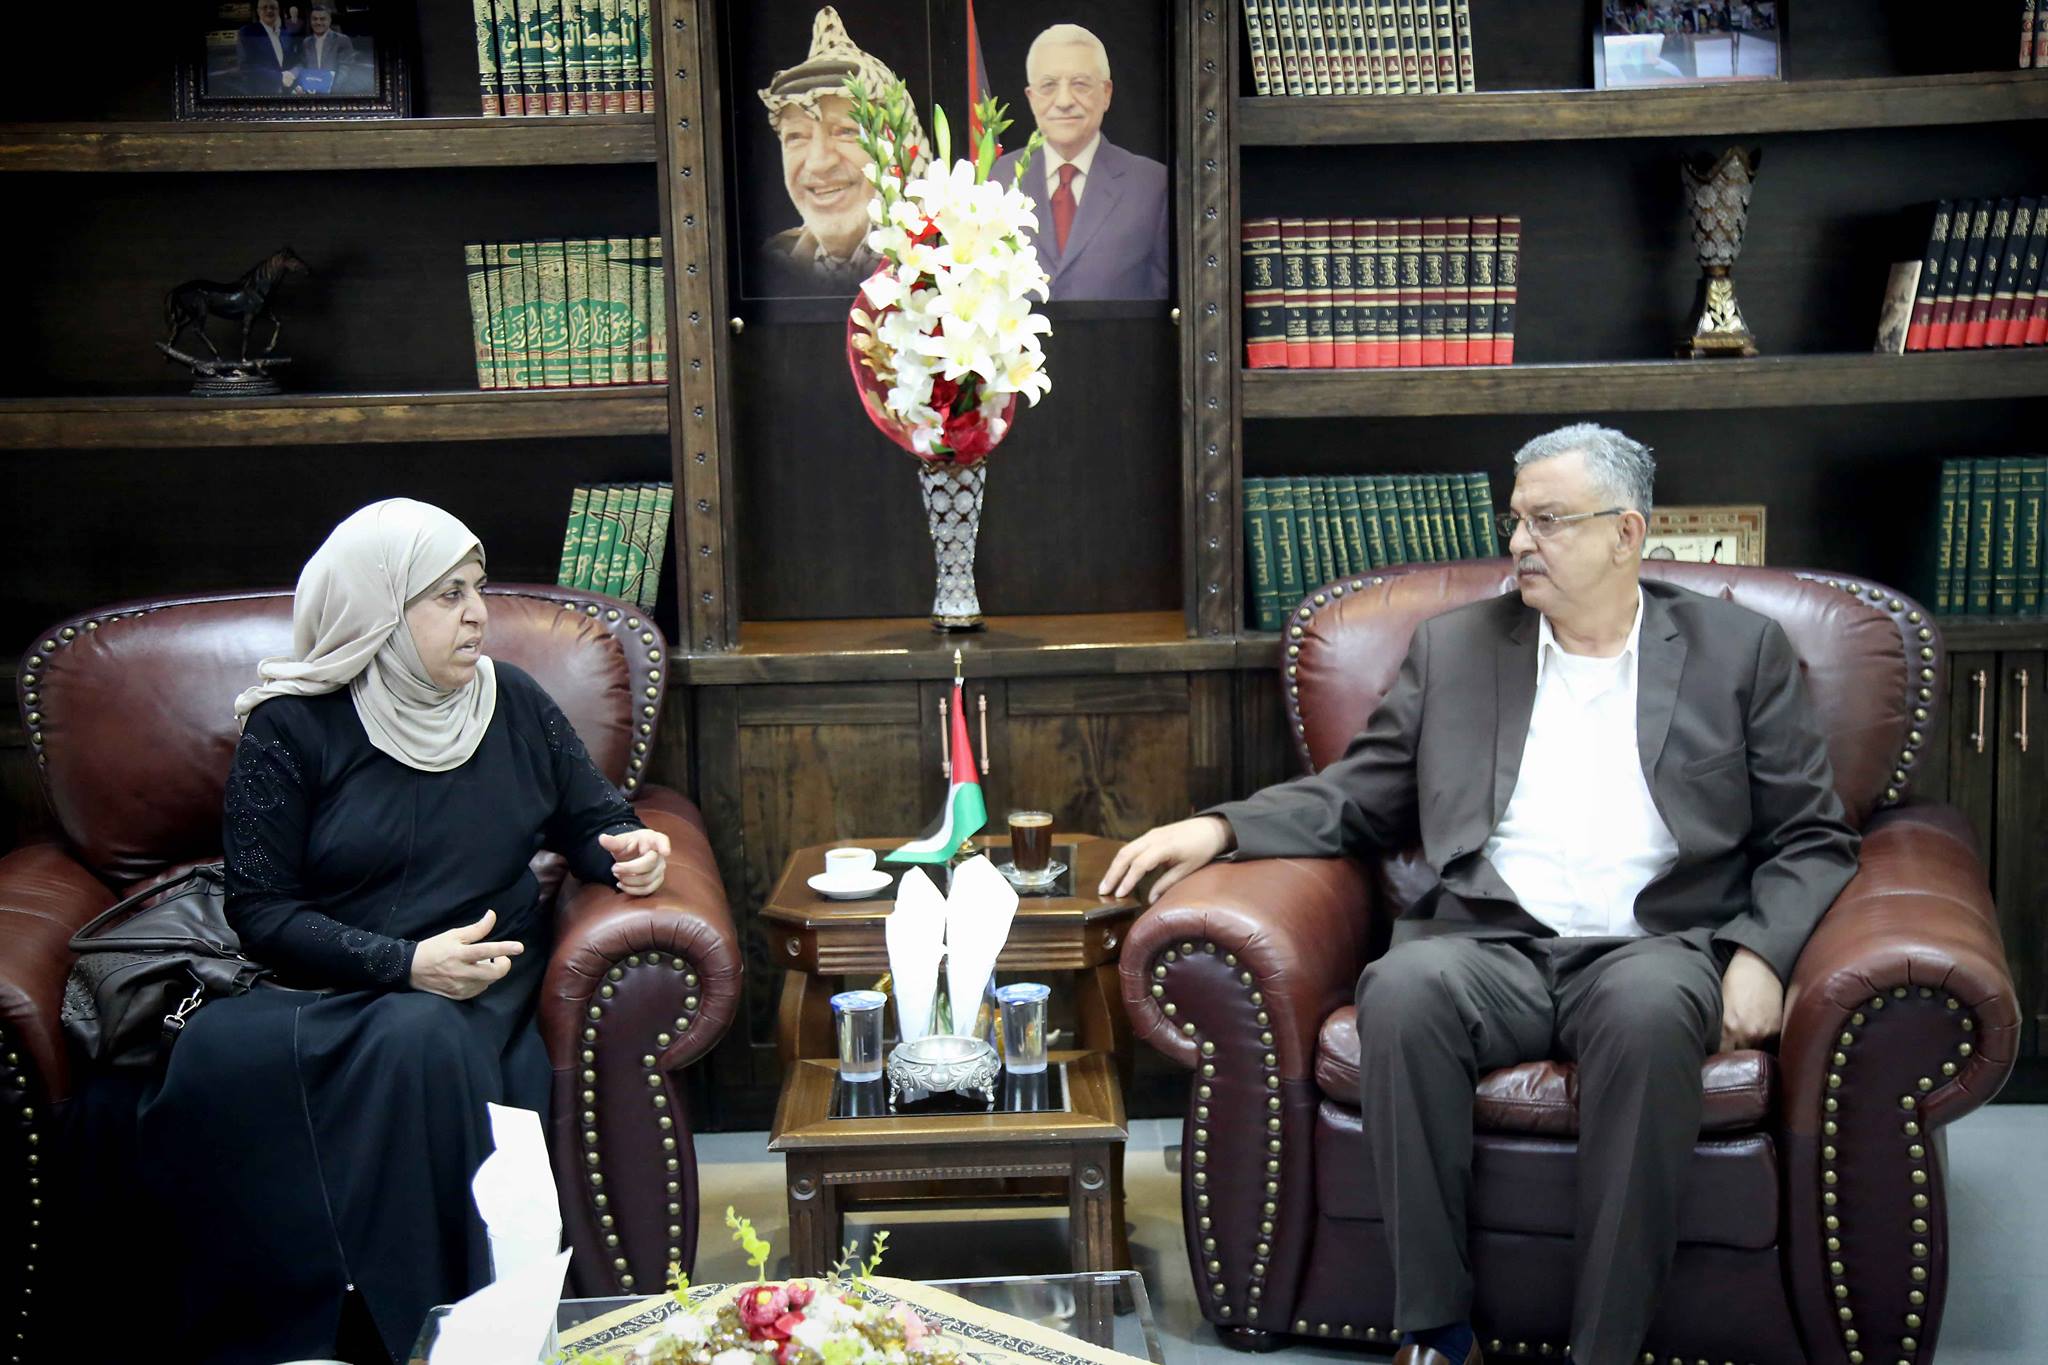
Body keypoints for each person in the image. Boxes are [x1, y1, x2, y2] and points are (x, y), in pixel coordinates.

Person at [1101, 424, 1859, 1365]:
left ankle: (1605, 1349)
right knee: (1403, 989)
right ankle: (1436, 1331)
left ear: (1626, 533)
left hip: (1656, 947)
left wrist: (1761, 953)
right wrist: (1219, 829)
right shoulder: (1457, 648)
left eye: (1549, 521)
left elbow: (1812, 834)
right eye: (1516, 520)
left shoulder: (1736, 652)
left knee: (1650, 1013)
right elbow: (1360, 794)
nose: (1520, 543)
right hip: (1489, 946)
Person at [133, 499, 673, 1364]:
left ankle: (438, 1335)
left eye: (478, 588)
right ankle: (278, 1339)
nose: (477, 614)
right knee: (211, 1059)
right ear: (375, 609)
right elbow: (261, 912)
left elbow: (591, 819)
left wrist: (629, 852)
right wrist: (404, 961)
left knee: (421, 1042)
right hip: (330, 977)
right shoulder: (291, 725)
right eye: (447, 595)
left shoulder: (512, 700)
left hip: (478, 978)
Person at [754, 7, 928, 295]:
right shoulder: (774, 260)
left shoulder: (944, 253)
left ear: (898, 145)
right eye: (796, 137)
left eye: (846, 131)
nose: (818, 163)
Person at [992, 23, 1169, 301]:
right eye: (1048, 85)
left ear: (1106, 93)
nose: (1064, 101)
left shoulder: (1152, 185)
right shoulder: (999, 179)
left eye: (1080, 84)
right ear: (1031, 98)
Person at [289, 2, 357, 95]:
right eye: (315, 19)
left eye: (322, 19)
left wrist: (330, 90)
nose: (318, 22)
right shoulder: (306, 42)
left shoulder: (342, 40)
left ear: (329, 20)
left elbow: (346, 68)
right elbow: (303, 64)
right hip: (311, 92)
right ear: (310, 21)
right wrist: (293, 73)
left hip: (334, 93)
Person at [235, 0, 299, 96]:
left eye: (273, 7)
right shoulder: (247, 32)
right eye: (264, 7)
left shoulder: (285, 34)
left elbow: (293, 61)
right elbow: (246, 67)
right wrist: (279, 77)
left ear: (278, 11)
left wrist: (293, 75)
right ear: (258, 11)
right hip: (261, 95)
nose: (269, 10)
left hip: (287, 93)